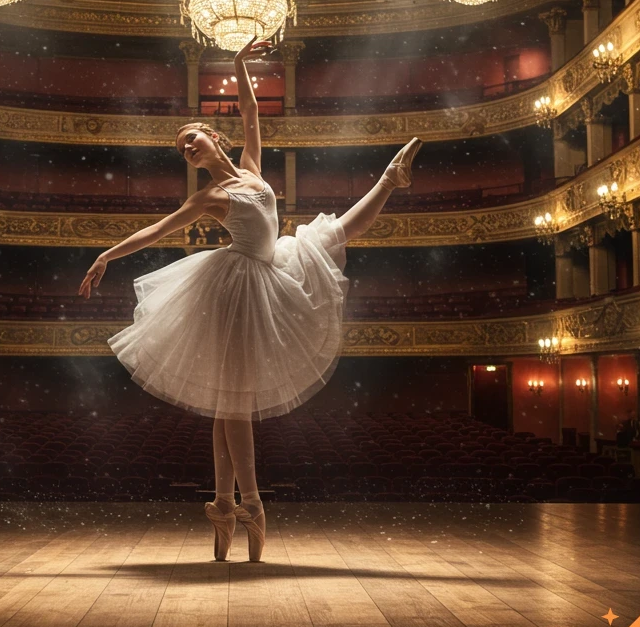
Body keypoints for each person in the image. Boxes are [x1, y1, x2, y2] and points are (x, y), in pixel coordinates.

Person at [78, 38, 422, 562]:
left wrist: (238, 64)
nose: (187, 148)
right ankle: (252, 506)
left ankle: (224, 505)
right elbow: (155, 231)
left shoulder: (252, 169)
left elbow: (251, 110)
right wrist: (108, 254)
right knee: (232, 403)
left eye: (191, 138)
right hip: (237, 287)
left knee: (333, 235)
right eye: (182, 149)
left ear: (214, 136)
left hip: (272, 267)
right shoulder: (207, 196)